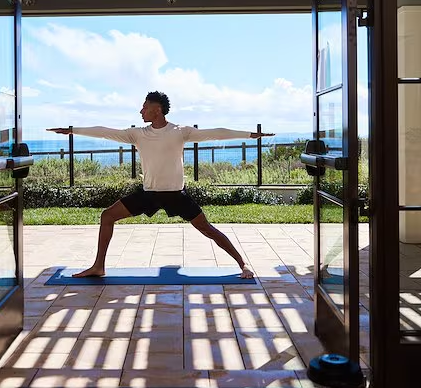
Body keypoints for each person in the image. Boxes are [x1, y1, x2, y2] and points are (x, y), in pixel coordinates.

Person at [47, 91, 275, 279]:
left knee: (207, 229)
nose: (141, 111)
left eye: (144, 107)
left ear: (157, 110)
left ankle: (243, 264)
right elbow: (106, 132)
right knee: (107, 216)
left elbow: (215, 134)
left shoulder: (180, 132)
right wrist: (73, 130)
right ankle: (98, 266)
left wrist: (249, 134)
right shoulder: (137, 134)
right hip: (148, 194)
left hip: (176, 195)